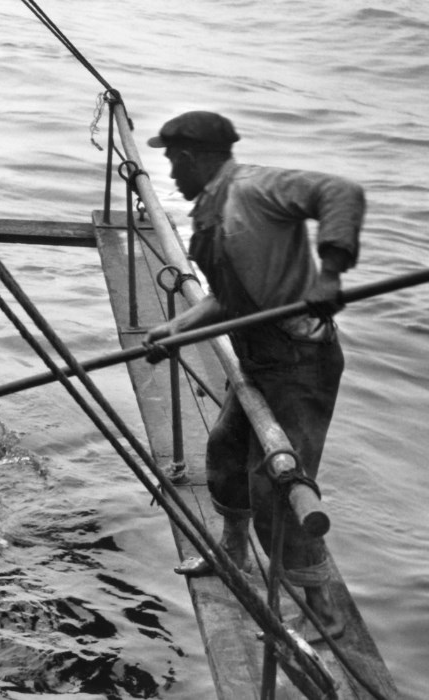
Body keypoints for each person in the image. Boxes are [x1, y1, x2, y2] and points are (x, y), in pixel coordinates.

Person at [143, 110, 364, 642]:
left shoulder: (256, 187)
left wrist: (330, 272)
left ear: (194, 156)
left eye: (173, 159)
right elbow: (226, 300)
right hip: (259, 359)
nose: (171, 172)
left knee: (278, 483)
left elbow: (342, 192)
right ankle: (234, 556)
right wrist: (173, 330)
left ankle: (321, 609)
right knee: (223, 450)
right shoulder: (213, 209)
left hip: (300, 364)